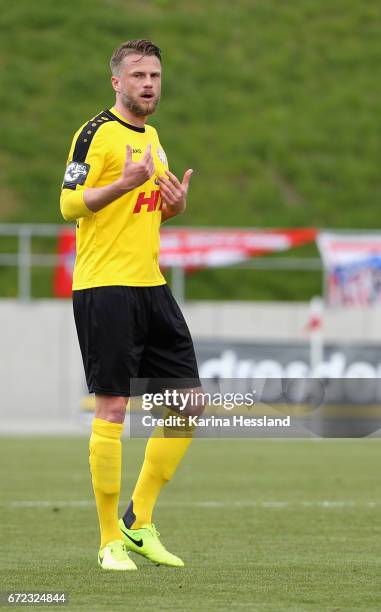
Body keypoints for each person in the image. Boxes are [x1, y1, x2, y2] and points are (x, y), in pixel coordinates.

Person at [60, 39, 203, 571]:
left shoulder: (155, 139)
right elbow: (68, 203)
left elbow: (140, 215)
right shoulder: (95, 134)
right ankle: (107, 542)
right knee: (114, 409)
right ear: (116, 82)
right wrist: (122, 182)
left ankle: (138, 522)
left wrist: (174, 208)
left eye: (156, 76)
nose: (149, 84)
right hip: (105, 287)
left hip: (151, 286)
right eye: (138, 75)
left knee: (188, 405)